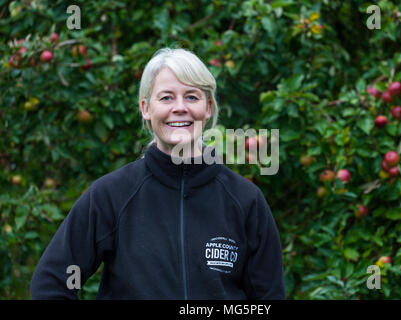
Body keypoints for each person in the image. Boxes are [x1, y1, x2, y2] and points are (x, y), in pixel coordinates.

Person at [30, 47, 285, 300]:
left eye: (192, 97)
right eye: (166, 98)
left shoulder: (245, 200)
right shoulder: (111, 195)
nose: (180, 108)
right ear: (146, 108)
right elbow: (51, 283)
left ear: (208, 108)